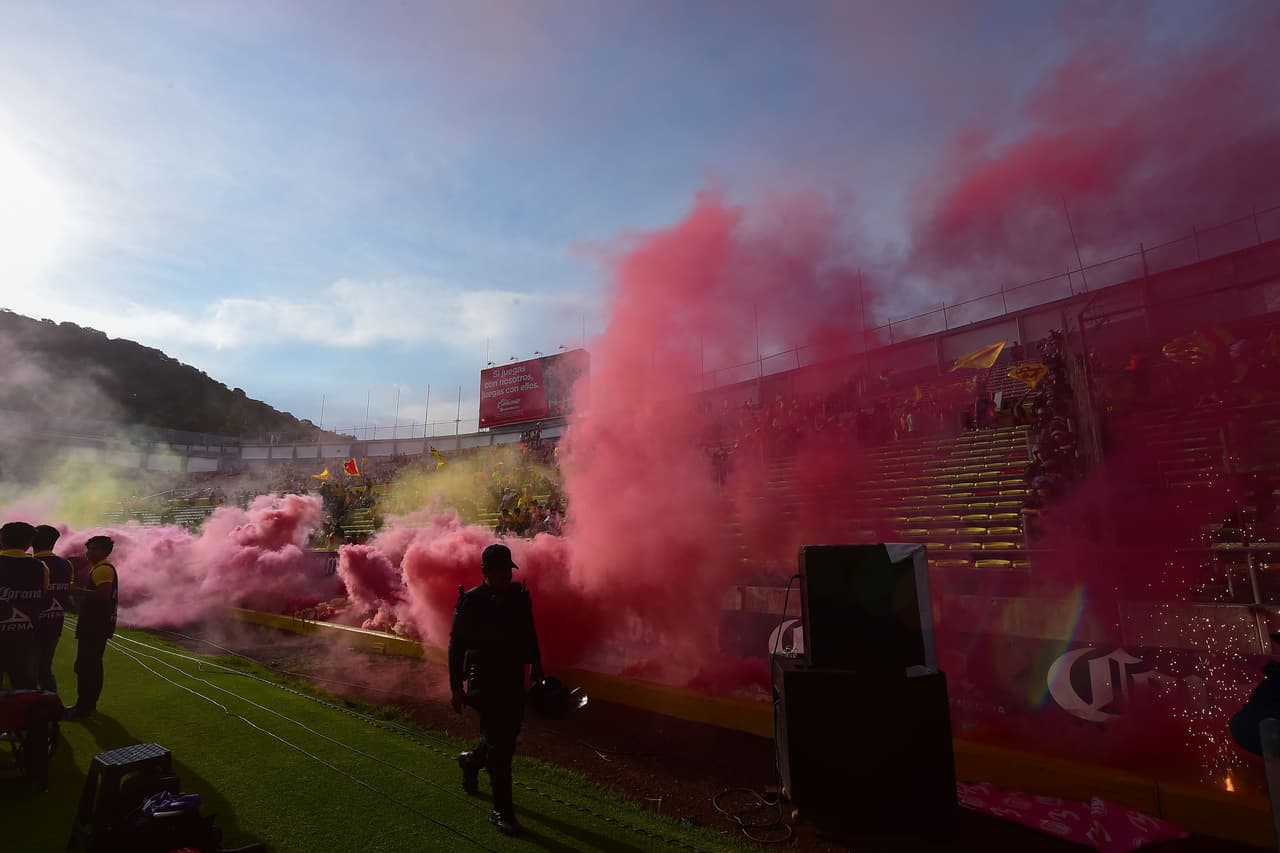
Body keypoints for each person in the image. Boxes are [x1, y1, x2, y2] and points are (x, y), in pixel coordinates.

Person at [449, 543, 543, 836]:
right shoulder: (471, 601)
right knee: (500, 746)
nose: (505, 576)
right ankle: (502, 811)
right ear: (485, 571)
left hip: (512, 676)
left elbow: (529, 632)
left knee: (505, 737)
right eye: (499, 571)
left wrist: (537, 667)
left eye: (507, 570)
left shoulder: (518, 596)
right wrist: (456, 688)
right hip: (484, 679)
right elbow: (456, 646)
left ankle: (471, 761)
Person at [66, 535, 118, 719]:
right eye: (88, 549)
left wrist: (76, 590)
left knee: (86, 666)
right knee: (92, 665)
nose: (88, 553)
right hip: (99, 624)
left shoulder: (102, 569)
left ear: (105, 551)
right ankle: (88, 705)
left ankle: (83, 708)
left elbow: (103, 595)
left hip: (94, 625)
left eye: (93, 549)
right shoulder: (102, 568)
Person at [0, 521, 48, 689]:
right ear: (29, 542)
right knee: (24, 689)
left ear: (2, 539)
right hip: (26, 637)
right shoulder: (41, 567)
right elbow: (43, 595)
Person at [33, 524, 73, 694]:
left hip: (29, 626)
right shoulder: (66, 565)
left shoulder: (31, 565)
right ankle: (52, 704)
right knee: (45, 668)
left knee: (25, 672)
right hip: (55, 623)